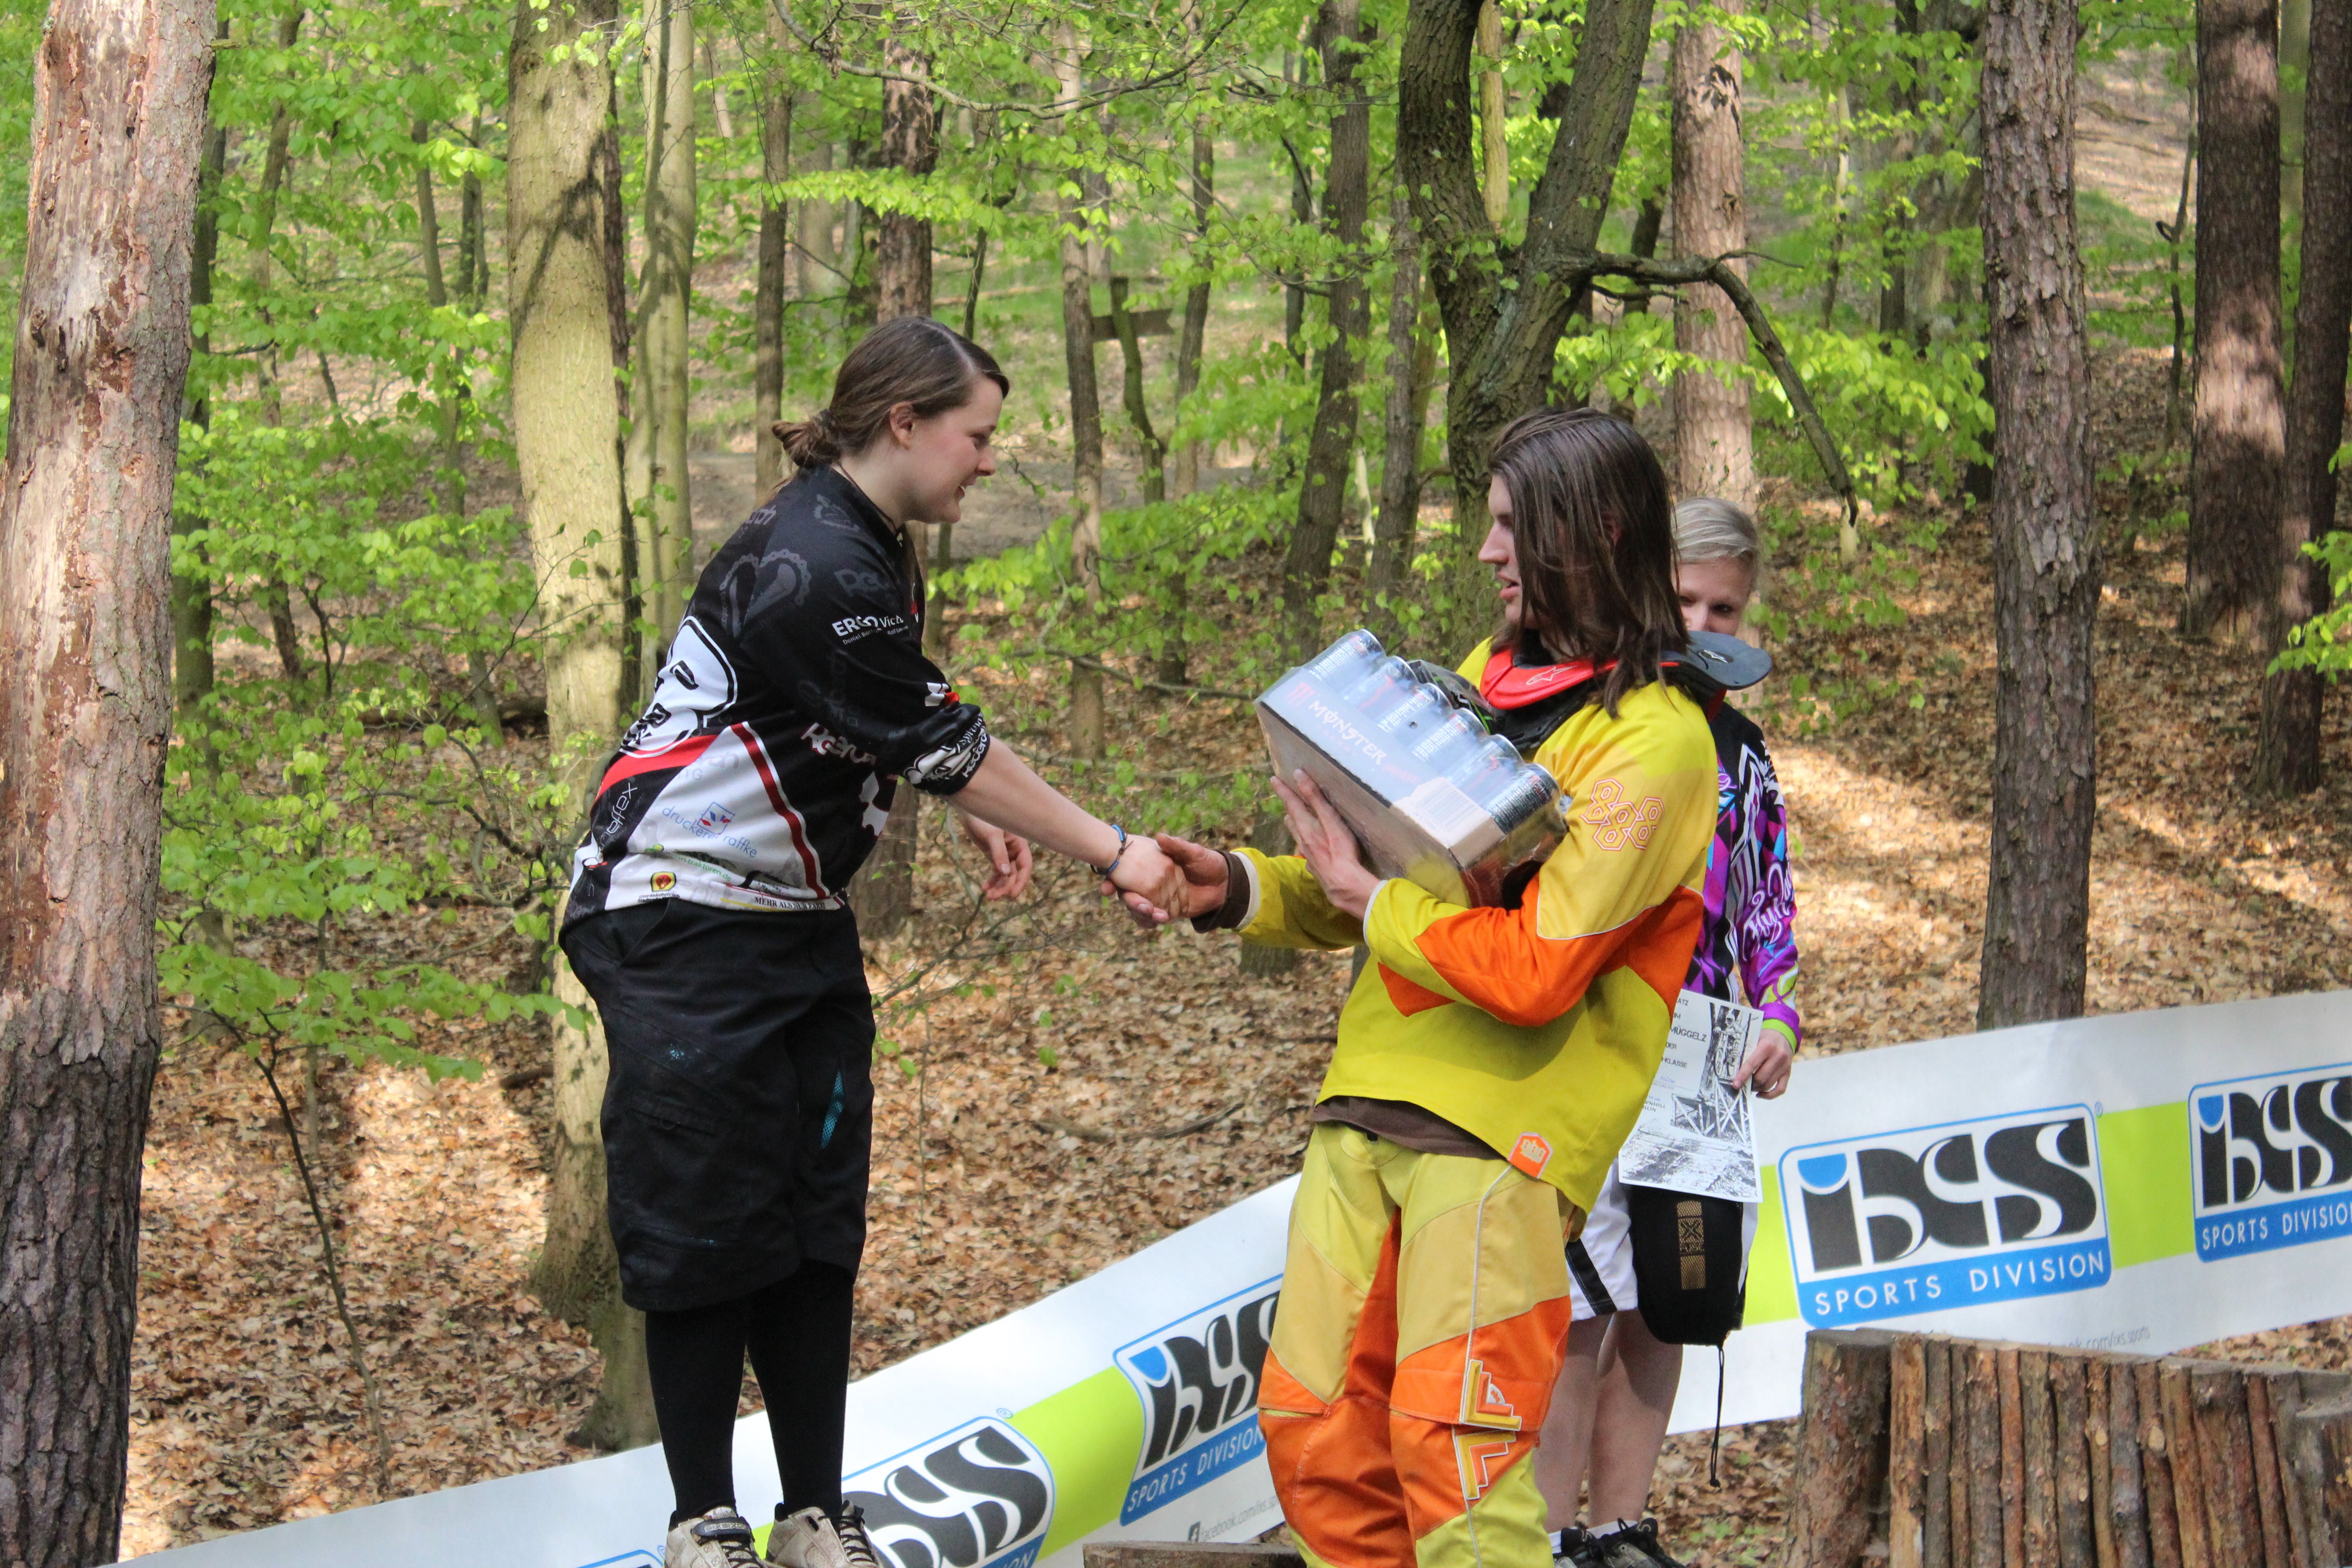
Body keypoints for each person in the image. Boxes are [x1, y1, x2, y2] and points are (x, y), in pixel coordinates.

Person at [558, 316, 1187, 1568]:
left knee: (814, 1227)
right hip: (677, 915)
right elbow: (938, 736)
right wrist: (1112, 848)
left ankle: (813, 1515)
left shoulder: (874, 546)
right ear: (904, 422)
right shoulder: (810, 558)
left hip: (796, 921)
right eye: (978, 435)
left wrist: (951, 800)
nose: (990, 461)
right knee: (707, 1226)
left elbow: (889, 714)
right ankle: (702, 1525)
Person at [1151, 409, 1721, 1568]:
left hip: (1503, 1136)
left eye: (1513, 525)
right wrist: (1238, 887)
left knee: (1454, 1454)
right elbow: (1375, 888)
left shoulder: (1657, 742)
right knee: (1315, 1428)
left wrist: (1372, 902)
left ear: (1597, 532)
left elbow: (1538, 968)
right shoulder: (1476, 682)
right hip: (1367, 1102)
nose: (1489, 550)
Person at [1529, 496, 1802, 1568]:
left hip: (1703, 1064)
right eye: (1684, 598)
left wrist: (1779, 1014)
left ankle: (1621, 1529)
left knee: (1667, 1302)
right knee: (1577, 1312)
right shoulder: (1592, 722)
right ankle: (1548, 1538)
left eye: (1724, 608)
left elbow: (1768, 907)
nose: (1702, 622)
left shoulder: (1747, 754)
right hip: (1593, 1044)